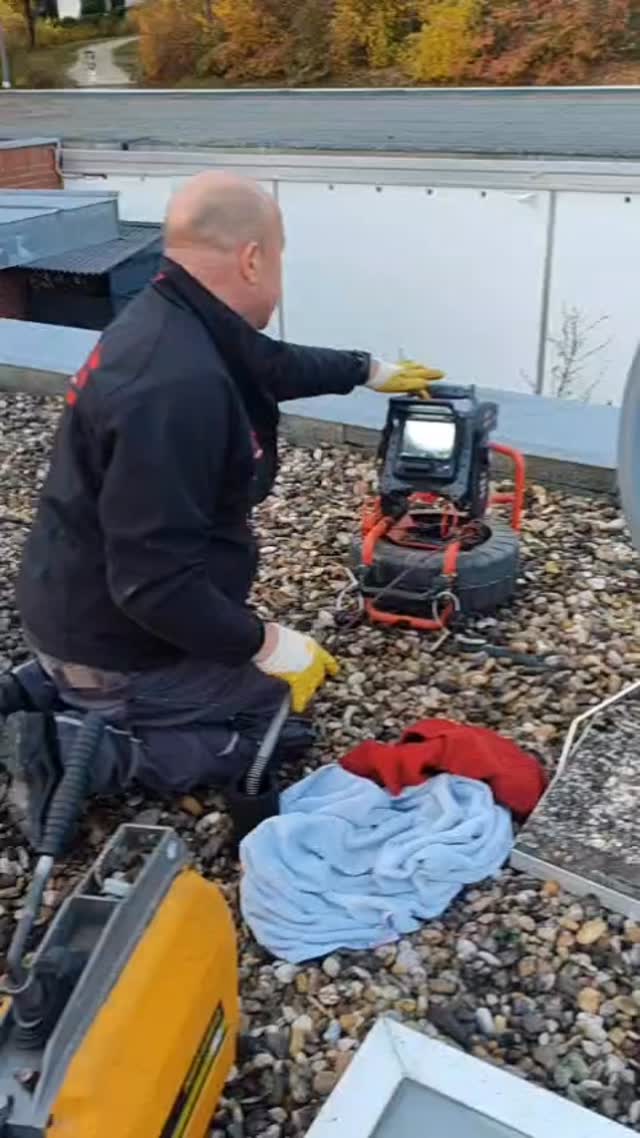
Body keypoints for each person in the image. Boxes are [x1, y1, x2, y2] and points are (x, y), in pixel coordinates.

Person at [7, 172, 443, 827]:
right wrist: (266, 643)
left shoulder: (173, 316)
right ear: (253, 258)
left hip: (72, 598)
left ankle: (46, 685)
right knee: (273, 718)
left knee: (234, 671)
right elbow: (152, 585)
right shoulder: (175, 388)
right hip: (112, 638)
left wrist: (365, 369)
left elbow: (267, 364)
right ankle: (70, 748)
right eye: (281, 259)